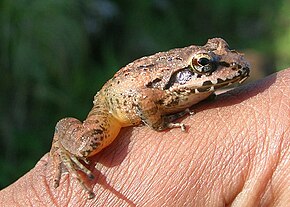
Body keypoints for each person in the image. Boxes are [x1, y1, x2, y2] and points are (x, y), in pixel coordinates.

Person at [0, 69, 289, 207]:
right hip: (112, 108)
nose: (222, 68)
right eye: (205, 64)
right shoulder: (163, 90)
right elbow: (143, 96)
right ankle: (61, 144)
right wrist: (161, 124)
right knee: (86, 146)